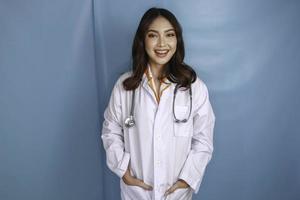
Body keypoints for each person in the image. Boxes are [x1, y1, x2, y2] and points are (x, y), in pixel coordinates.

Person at [101, 7, 216, 200]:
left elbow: (203, 140)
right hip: (137, 192)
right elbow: (110, 130)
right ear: (142, 40)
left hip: (176, 193)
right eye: (153, 35)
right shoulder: (124, 87)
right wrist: (124, 170)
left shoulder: (194, 88)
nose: (162, 44)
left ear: (177, 40)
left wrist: (187, 179)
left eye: (169, 35)